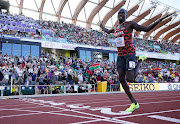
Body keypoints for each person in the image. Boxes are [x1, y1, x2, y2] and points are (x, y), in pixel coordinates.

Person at [100, 8, 174, 112]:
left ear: (126, 15)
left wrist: (160, 20)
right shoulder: (116, 27)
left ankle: (140, 60)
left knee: (130, 79)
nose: (120, 15)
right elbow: (108, 31)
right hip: (120, 55)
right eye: (119, 13)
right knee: (121, 78)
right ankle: (134, 103)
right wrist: (101, 26)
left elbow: (146, 29)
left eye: (123, 13)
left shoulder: (130, 24)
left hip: (130, 53)